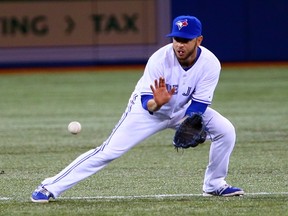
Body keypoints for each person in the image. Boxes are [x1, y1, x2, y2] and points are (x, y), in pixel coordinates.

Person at [31, 15, 244, 203]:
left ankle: (214, 184)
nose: (180, 45)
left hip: (183, 110)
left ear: (199, 40)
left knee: (226, 131)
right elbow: (146, 103)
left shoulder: (210, 63)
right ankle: (49, 187)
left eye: (186, 40)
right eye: (177, 39)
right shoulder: (159, 60)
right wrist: (158, 103)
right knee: (108, 152)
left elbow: (199, 103)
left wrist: (190, 122)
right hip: (146, 113)